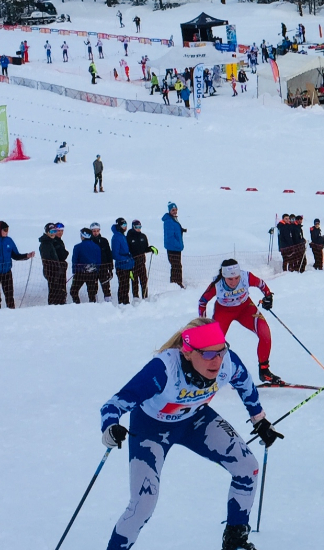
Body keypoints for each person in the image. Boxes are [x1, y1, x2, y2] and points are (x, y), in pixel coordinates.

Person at [100, 318, 280, 550]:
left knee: (247, 466)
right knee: (143, 503)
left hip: (194, 420)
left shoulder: (227, 363)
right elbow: (113, 405)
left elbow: (246, 384)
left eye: (221, 351)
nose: (216, 360)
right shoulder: (163, 369)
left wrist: (260, 420)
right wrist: (110, 428)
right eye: (207, 354)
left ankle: (235, 540)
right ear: (188, 352)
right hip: (150, 428)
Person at [198, 259, 279, 384]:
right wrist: (203, 321)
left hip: (245, 308)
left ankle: (264, 371)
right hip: (224, 312)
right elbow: (202, 302)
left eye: (236, 278)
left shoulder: (246, 277)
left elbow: (261, 284)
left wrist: (268, 296)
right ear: (224, 276)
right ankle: (207, 373)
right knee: (214, 344)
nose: (234, 282)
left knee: (265, 333)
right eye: (230, 279)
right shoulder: (217, 284)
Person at [38, 223, 69, 305]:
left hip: (58, 270)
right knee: (55, 292)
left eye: (55, 231)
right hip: (52, 271)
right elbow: (47, 260)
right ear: (47, 232)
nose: (53, 233)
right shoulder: (45, 244)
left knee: (60, 292)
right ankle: (53, 308)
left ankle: (59, 305)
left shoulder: (53, 241)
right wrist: (57, 267)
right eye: (51, 231)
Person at [70, 228, 102, 303]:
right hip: (92, 272)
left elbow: (74, 260)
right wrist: (96, 271)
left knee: (73, 291)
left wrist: (74, 271)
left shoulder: (77, 247)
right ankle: (92, 306)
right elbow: (98, 261)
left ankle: (77, 304)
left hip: (80, 273)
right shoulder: (96, 247)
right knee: (91, 293)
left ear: (83, 236)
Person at [126, 220, 153, 300]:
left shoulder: (143, 236)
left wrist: (151, 248)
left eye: (139, 227)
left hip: (142, 263)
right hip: (133, 264)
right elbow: (127, 250)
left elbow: (145, 248)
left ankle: (145, 297)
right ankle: (136, 299)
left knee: (144, 281)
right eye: (136, 227)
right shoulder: (129, 237)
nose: (138, 229)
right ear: (133, 227)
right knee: (134, 282)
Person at [110, 218, 135, 305]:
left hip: (128, 265)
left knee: (126, 286)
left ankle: (126, 302)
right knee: (123, 286)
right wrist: (126, 259)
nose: (125, 227)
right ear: (119, 226)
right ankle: (122, 303)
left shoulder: (122, 235)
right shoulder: (116, 237)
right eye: (123, 225)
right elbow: (115, 254)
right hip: (121, 266)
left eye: (126, 225)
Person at [163, 202, 185, 288]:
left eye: (176, 210)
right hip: (173, 248)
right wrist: (178, 245)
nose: (175, 211)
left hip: (176, 247)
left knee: (177, 266)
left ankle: (176, 283)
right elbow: (170, 237)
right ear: (169, 211)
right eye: (173, 210)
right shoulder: (169, 221)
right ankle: (177, 284)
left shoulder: (173, 219)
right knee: (176, 266)